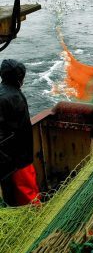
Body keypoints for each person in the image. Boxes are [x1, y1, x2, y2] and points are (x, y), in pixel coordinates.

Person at [0, 59, 39, 206]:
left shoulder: (5, 92)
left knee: (11, 195)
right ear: (19, 78)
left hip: (8, 160)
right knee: (28, 194)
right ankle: (37, 223)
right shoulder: (14, 97)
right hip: (18, 158)